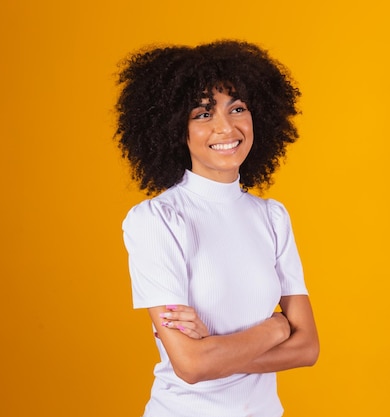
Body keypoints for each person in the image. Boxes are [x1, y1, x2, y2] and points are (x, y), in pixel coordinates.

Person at [115, 40, 319, 417]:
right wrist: (274, 330)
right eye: (203, 114)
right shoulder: (156, 220)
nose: (226, 127)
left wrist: (215, 351)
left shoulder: (272, 217)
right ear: (177, 129)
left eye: (237, 108)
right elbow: (191, 366)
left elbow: (307, 349)